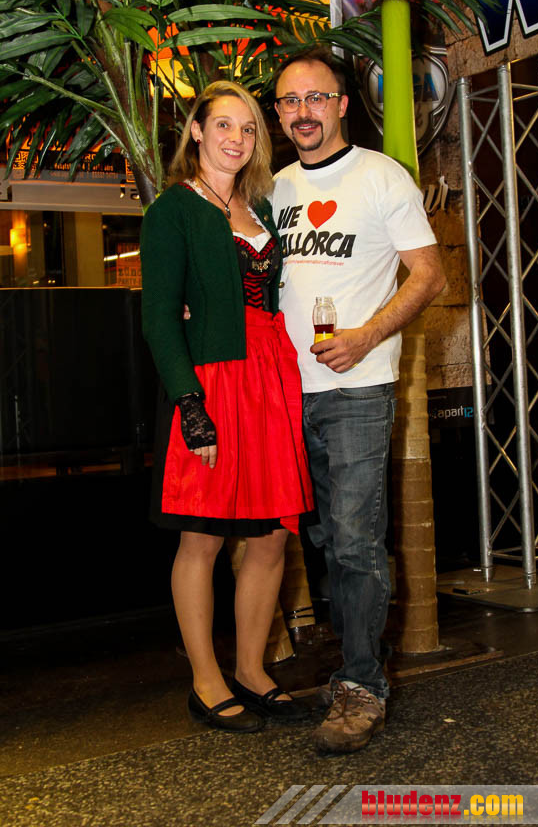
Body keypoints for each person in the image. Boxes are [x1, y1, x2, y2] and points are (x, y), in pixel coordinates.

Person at [272, 48, 446, 753]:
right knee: (319, 541)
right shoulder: (274, 186)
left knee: (354, 540)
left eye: (316, 97)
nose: (303, 112)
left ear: (342, 104)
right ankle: (351, 661)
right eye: (289, 100)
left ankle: (362, 685)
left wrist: (367, 335)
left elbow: (429, 275)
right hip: (282, 394)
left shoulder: (380, 175)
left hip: (355, 388)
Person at [140, 80, 313, 733]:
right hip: (213, 380)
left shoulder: (261, 206)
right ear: (196, 131)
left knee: (271, 535)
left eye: (247, 128)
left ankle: (251, 669)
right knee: (203, 536)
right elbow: (159, 316)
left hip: (270, 378)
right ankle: (205, 680)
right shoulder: (172, 210)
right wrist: (190, 404)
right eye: (223, 125)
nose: (236, 138)